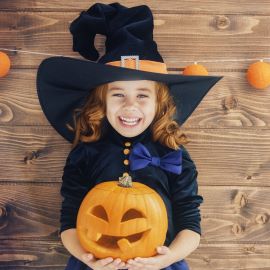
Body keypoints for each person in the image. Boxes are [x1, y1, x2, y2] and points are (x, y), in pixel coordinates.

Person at [36, 2, 223, 270]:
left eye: (142, 96)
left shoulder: (172, 153)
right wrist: (85, 256)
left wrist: (168, 258)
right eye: (118, 94)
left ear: (160, 103)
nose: (130, 106)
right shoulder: (86, 152)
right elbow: (69, 220)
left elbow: (190, 222)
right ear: (102, 101)